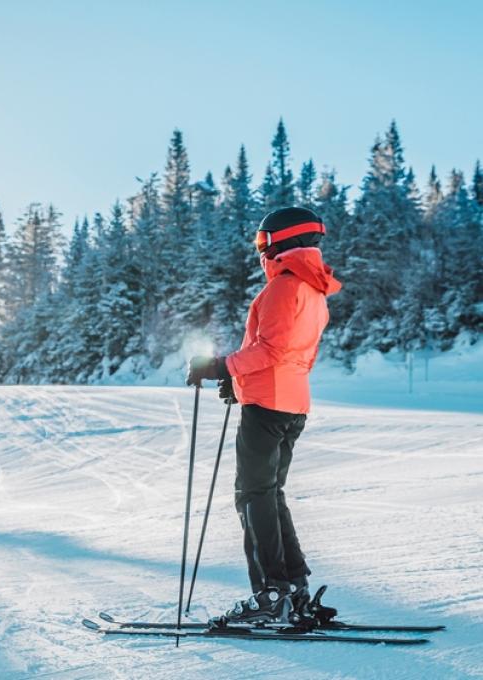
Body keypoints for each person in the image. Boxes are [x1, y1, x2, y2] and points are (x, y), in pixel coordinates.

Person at [186, 206, 342, 625]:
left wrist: (220, 367)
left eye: (262, 242)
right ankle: (295, 589)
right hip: (292, 404)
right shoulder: (314, 291)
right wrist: (239, 383)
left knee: (252, 495)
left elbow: (270, 350)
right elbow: (292, 357)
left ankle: (271, 594)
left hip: (268, 407)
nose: (260, 250)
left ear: (283, 241)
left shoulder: (282, 289)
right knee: (271, 494)